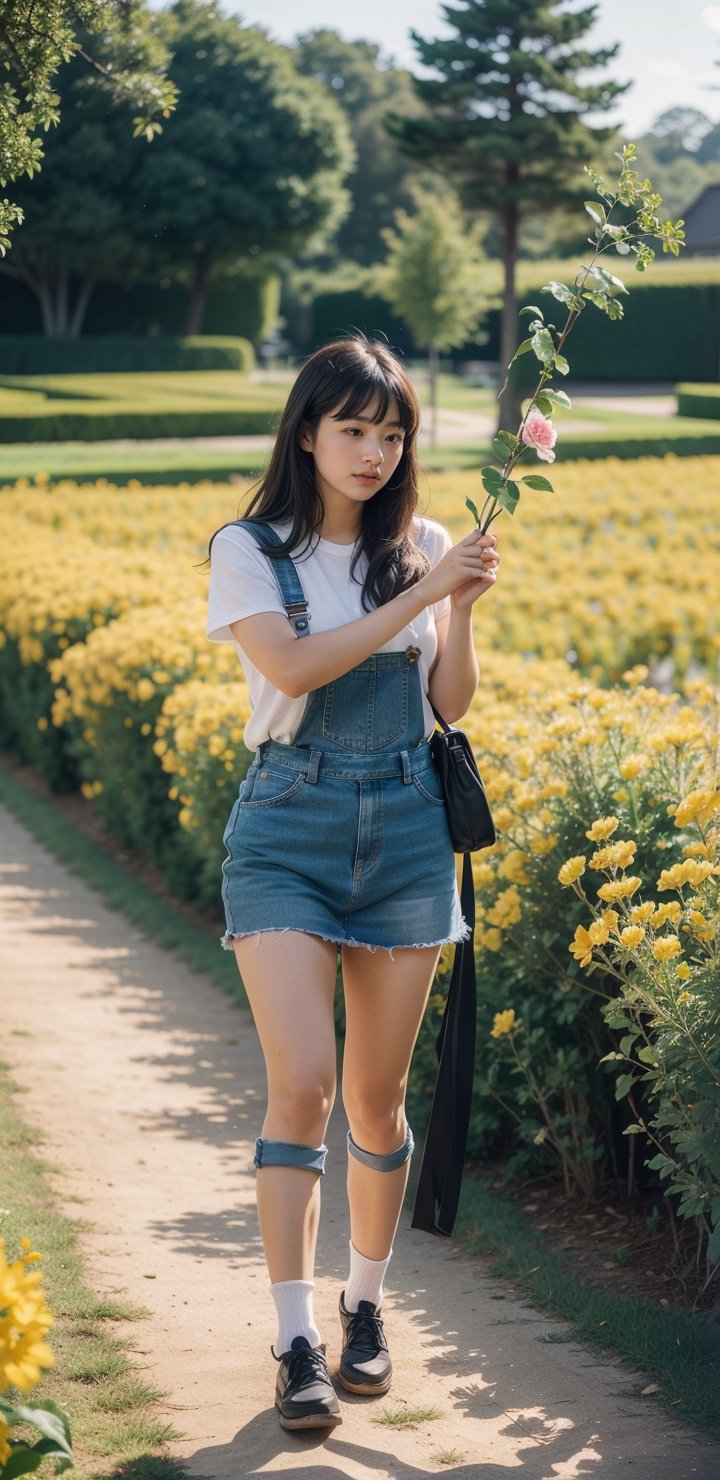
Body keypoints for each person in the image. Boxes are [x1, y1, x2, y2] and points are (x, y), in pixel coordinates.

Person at [205, 336, 499, 1431]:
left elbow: (452, 704)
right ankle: (293, 1341)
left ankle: (363, 1310)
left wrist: (458, 605)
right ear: (306, 430)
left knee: (376, 1099)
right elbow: (293, 668)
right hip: (288, 825)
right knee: (305, 1087)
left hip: (411, 833)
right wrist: (424, 584)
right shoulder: (251, 547)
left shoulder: (419, 544)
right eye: (354, 429)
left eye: (393, 433)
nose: (375, 451)